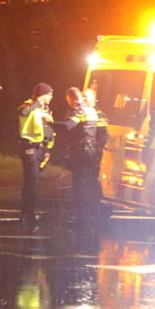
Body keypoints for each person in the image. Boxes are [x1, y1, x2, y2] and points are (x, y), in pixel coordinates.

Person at [56, 87, 104, 228]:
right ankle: (89, 217)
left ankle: (83, 218)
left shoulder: (80, 111)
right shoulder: (95, 112)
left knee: (80, 186)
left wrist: (49, 123)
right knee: (88, 186)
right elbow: (100, 135)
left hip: (81, 152)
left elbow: (68, 127)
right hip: (91, 152)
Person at [18, 83, 54, 223]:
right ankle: (27, 214)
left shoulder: (45, 109)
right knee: (31, 182)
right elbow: (22, 112)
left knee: (35, 182)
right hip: (29, 148)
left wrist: (47, 149)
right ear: (42, 95)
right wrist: (37, 102)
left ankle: (29, 212)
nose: (51, 97)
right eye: (50, 94)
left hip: (40, 149)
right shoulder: (28, 105)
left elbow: (48, 130)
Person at [82, 87, 109, 221]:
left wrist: (96, 152)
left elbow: (103, 136)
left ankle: (95, 212)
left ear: (94, 98)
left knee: (93, 184)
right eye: (82, 97)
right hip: (85, 155)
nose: (84, 99)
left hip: (94, 156)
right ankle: (87, 213)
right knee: (84, 185)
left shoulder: (100, 115)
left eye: (86, 97)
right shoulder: (81, 113)